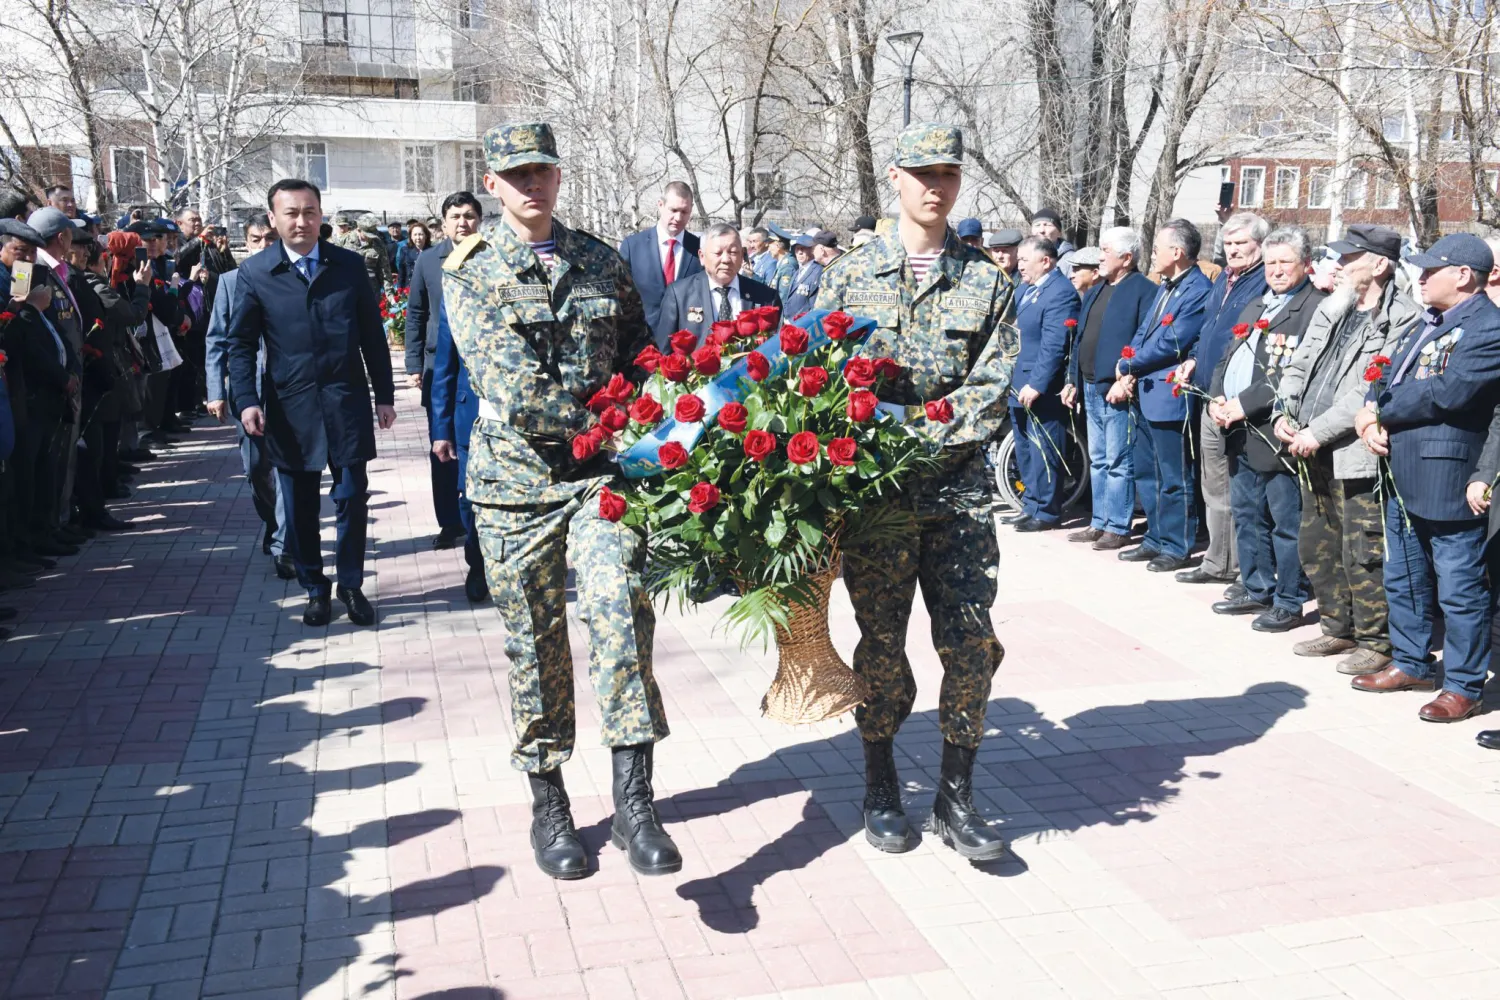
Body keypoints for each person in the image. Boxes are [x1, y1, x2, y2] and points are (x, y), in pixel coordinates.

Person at [444, 122, 677, 881]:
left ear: (558, 175)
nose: (530, 186)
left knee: (620, 614)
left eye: (541, 171)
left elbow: (642, 355)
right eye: (516, 174)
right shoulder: (470, 270)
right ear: (494, 182)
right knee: (536, 644)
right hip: (516, 487)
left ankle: (636, 803)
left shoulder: (601, 261)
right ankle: (552, 808)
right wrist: (605, 432)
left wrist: (658, 412)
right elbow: (510, 384)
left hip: (597, 484)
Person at [816, 121, 1017, 863]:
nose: (937, 186)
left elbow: (993, 388)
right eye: (923, 172)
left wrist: (913, 432)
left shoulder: (987, 281)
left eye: (950, 174)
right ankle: (880, 786)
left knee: (970, 646)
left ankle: (956, 798)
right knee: (882, 648)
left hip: (957, 498)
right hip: (878, 503)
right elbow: (823, 375)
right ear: (895, 178)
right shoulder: (850, 274)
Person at [228, 179, 397, 628]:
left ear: (321, 215)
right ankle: (315, 588)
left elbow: (372, 335)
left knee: (350, 498)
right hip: (289, 407)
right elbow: (240, 344)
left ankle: (351, 585)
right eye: (291, 213)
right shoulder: (258, 272)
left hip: (345, 402)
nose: (301, 221)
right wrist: (246, 401)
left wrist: (385, 395)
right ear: (273, 219)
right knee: (301, 504)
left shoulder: (348, 266)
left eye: (309, 212)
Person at [1352, 234, 1500, 722]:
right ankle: (1412, 662)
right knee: (1405, 576)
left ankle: (1463, 684)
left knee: (1458, 588)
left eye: (1431, 268)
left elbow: (1450, 391)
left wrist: (1385, 409)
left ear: (1463, 275)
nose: (1420, 275)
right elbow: (1386, 376)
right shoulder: (1427, 323)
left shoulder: (1488, 326)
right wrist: (1369, 412)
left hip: (1449, 474)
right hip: (1403, 468)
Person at [1276, 224, 1415, 676]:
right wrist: (1284, 411)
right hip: (1307, 444)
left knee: (1363, 549)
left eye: (1350, 258)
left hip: (1352, 451)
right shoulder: (1334, 307)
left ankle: (1377, 640)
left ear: (1378, 264)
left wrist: (1317, 431)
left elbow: (1368, 391)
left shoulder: (1403, 318)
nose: (1339, 265)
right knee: (1318, 543)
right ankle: (1338, 626)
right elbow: (1299, 363)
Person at [1207, 227, 1320, 632]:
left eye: (1284, 262)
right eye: (1270, 262)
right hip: (1237, 429)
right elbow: (1227, 356)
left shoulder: (1312, 309)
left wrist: (1243, 404)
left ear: (1305, 264)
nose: (1275, 270)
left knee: (1285, 523)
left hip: (1275, 433)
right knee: (1248, 514)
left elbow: (1291, 373)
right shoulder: (1256, 305)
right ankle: (1256, 587)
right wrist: (1217, 397)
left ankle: (1289, 600)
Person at [1174, 212, 1269, 592]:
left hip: (1238, 400)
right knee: (1213, 482)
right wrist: (1194, 358)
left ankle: (1237, 566)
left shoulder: (1262, 282)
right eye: (1228, 244)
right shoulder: (1224, 282)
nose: (1233, 250)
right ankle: (1218, 560)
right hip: (1209, 394)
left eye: (1241, 244)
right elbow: (1208, 330)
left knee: (1237, 489)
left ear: (1260, 245)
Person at [1114, 219, 1213, 572]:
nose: (1152, 254)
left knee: (1174, 476)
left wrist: (1129, 366)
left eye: (1157, 248)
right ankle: (1154, 537)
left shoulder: (1197, 289)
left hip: (1170, 396)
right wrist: (1127, 361)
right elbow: (1144, 332)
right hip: (1146, 390)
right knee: (1147, 473)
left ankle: (1175, 544)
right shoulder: (1166, 286)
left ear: (1177, 252)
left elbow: (1173, 342)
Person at [205, 220, 290, 579]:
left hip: (287, 389)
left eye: (269, 238)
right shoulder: (228, 282)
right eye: (256, 239)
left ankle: (286, 544)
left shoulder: (289, 276)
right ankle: (272, 523)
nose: (263, 244)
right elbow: (217, 340)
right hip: (246, 390)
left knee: (286, 467)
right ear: (245, 243)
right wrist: (215, 391)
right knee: (256, 468)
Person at [1063, 227, 1156, 550]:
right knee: (1099, 457)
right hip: (1089, 385)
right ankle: (1099, 521)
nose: (1099, 257)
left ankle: (1117, 525)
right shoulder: (1097, 289)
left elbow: (1144, 341)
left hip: (1117, 389)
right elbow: (1081, 339)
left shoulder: (1144, 290)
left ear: (1127, 258)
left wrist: (1126, 378)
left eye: (1105, 251)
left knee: (1118, 459)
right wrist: (1071, 380)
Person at [424, 191, 488, 603]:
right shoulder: (450, 289)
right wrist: (441, 427)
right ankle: (477, 565)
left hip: (511, 416)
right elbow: (444, 367)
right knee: (469, 499)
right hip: (467, 413)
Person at [406, 196, 477, 552]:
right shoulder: (428, 261)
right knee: (442, 443)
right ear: (444, 223)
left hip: (478, 369)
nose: (463, 223)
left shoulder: (490, 259)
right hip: (438, 367)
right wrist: (413, 365)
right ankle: (450, 521)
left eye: (469, 216)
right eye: (455, 217)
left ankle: (475, 520)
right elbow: (416, 313)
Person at [1006, 235, 1078, 531]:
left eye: (1025, 259)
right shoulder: (1025, 289)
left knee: (1044, 447)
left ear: (1046, 261)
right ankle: (1031, 502)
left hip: (1041, 386)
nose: (1019, 264)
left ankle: (1047, 511)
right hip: (1016, 380)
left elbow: (1054, 344)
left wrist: (1037, 383)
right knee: (1024, 447)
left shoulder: (1060, 292)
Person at [655, 223, 780, 349]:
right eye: (718, 253)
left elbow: (776, 349)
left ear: (742, 255)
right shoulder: (679, 294)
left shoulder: (766, 296)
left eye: (733, 252)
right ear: (702, 257)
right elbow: (665, 350)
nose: (726, 259)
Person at [619, 181, 701, 342]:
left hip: (686, 346)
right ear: (661, 205)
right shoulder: (633, 246)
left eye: (684, 212)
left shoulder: (700, 250)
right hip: (641, 344)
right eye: (674, 210)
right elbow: (620, 298)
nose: (678, 218)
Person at [783, 233, 823, 317]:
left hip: (803, 323)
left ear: (812, 250)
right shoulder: (798, 271)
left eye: (803, 249)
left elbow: (814, 303)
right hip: (790, 321)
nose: (800, 252)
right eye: (797, 249)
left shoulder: (818, 271)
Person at [397, 222, 430, 288]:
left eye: (420, 234)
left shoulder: (433, 251)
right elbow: (401, 273)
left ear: (426, 235)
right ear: (411, 237)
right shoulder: (405, 250)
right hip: (409, 288)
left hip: (428, 288)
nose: (418, 237)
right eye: (415, 235)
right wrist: (400, 290)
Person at [768, 226, 796, 300]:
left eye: (770, 243)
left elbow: (783, 296)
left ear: (778, 246)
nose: (769, 248)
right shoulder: (782, 262)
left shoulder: (787, 266)